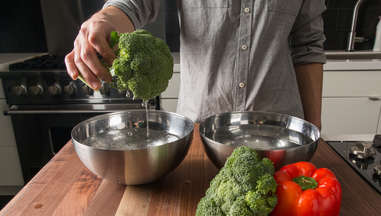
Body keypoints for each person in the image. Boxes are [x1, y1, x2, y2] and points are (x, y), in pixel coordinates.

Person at [65, 0, 326, 129]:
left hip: (278, 131)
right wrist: (104, 19)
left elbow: (308, 45)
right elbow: (134, 4)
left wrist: (314, 132)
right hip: (201, 132)